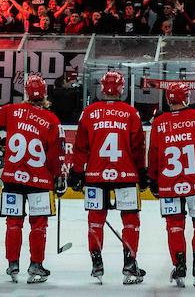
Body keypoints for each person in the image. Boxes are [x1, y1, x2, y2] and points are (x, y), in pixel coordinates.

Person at [0, 73, 66, 284]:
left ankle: (13, 264)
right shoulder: (52, 120)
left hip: (12, 179)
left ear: (26, 93)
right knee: (38, 225)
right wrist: (59, 177)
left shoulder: (11, 111)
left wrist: (0, 142)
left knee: (13, 223)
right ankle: (36, 266)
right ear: (45, 94)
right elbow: (55, 155)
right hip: (39, 182)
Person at [68, 70, 148, 285]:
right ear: (122, 88)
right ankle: (130, 265)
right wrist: (142, 172)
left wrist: (76, 172)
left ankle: (96, 263)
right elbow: (138, 148)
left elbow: (80, 148)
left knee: (96, 220)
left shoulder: (89, 113)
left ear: (101, 88)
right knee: (130, 221)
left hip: (95, 175)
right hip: (126, 175)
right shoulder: (131, 113)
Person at [147, 82, 195, 287]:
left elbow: (153, 153)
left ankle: (179, 265)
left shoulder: (159, 122)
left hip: (169, 184)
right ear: (187, 97)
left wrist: (152, 177)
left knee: (174, 226)